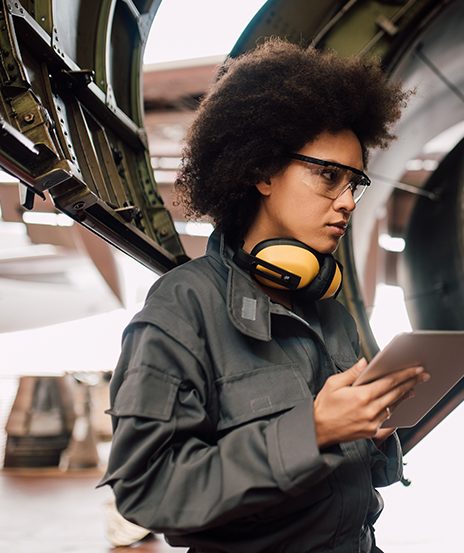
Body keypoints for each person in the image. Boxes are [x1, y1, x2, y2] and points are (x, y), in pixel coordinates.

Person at [99, 38, 427, 553]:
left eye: (354, 183)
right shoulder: (183, 308)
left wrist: (375, 432)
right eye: (328, 176)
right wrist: (313, 430)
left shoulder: (327, 305)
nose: (346, 203)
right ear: (261, 171)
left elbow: (351, 481)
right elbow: (147, 492)